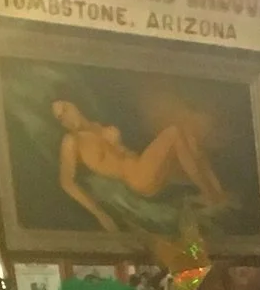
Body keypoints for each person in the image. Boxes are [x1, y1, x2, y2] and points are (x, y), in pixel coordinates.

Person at [52, 98, 230, 236]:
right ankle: (211, 195)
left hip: (144, 167)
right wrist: (100, 215)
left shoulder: (100, 127)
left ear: (74, 106)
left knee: (189, 138)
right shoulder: (72, 141)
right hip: (138, 179)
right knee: (174, 132)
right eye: (60, 118)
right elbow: (67, 182)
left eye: (65, 109)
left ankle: (216, 192)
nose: (65, 118)